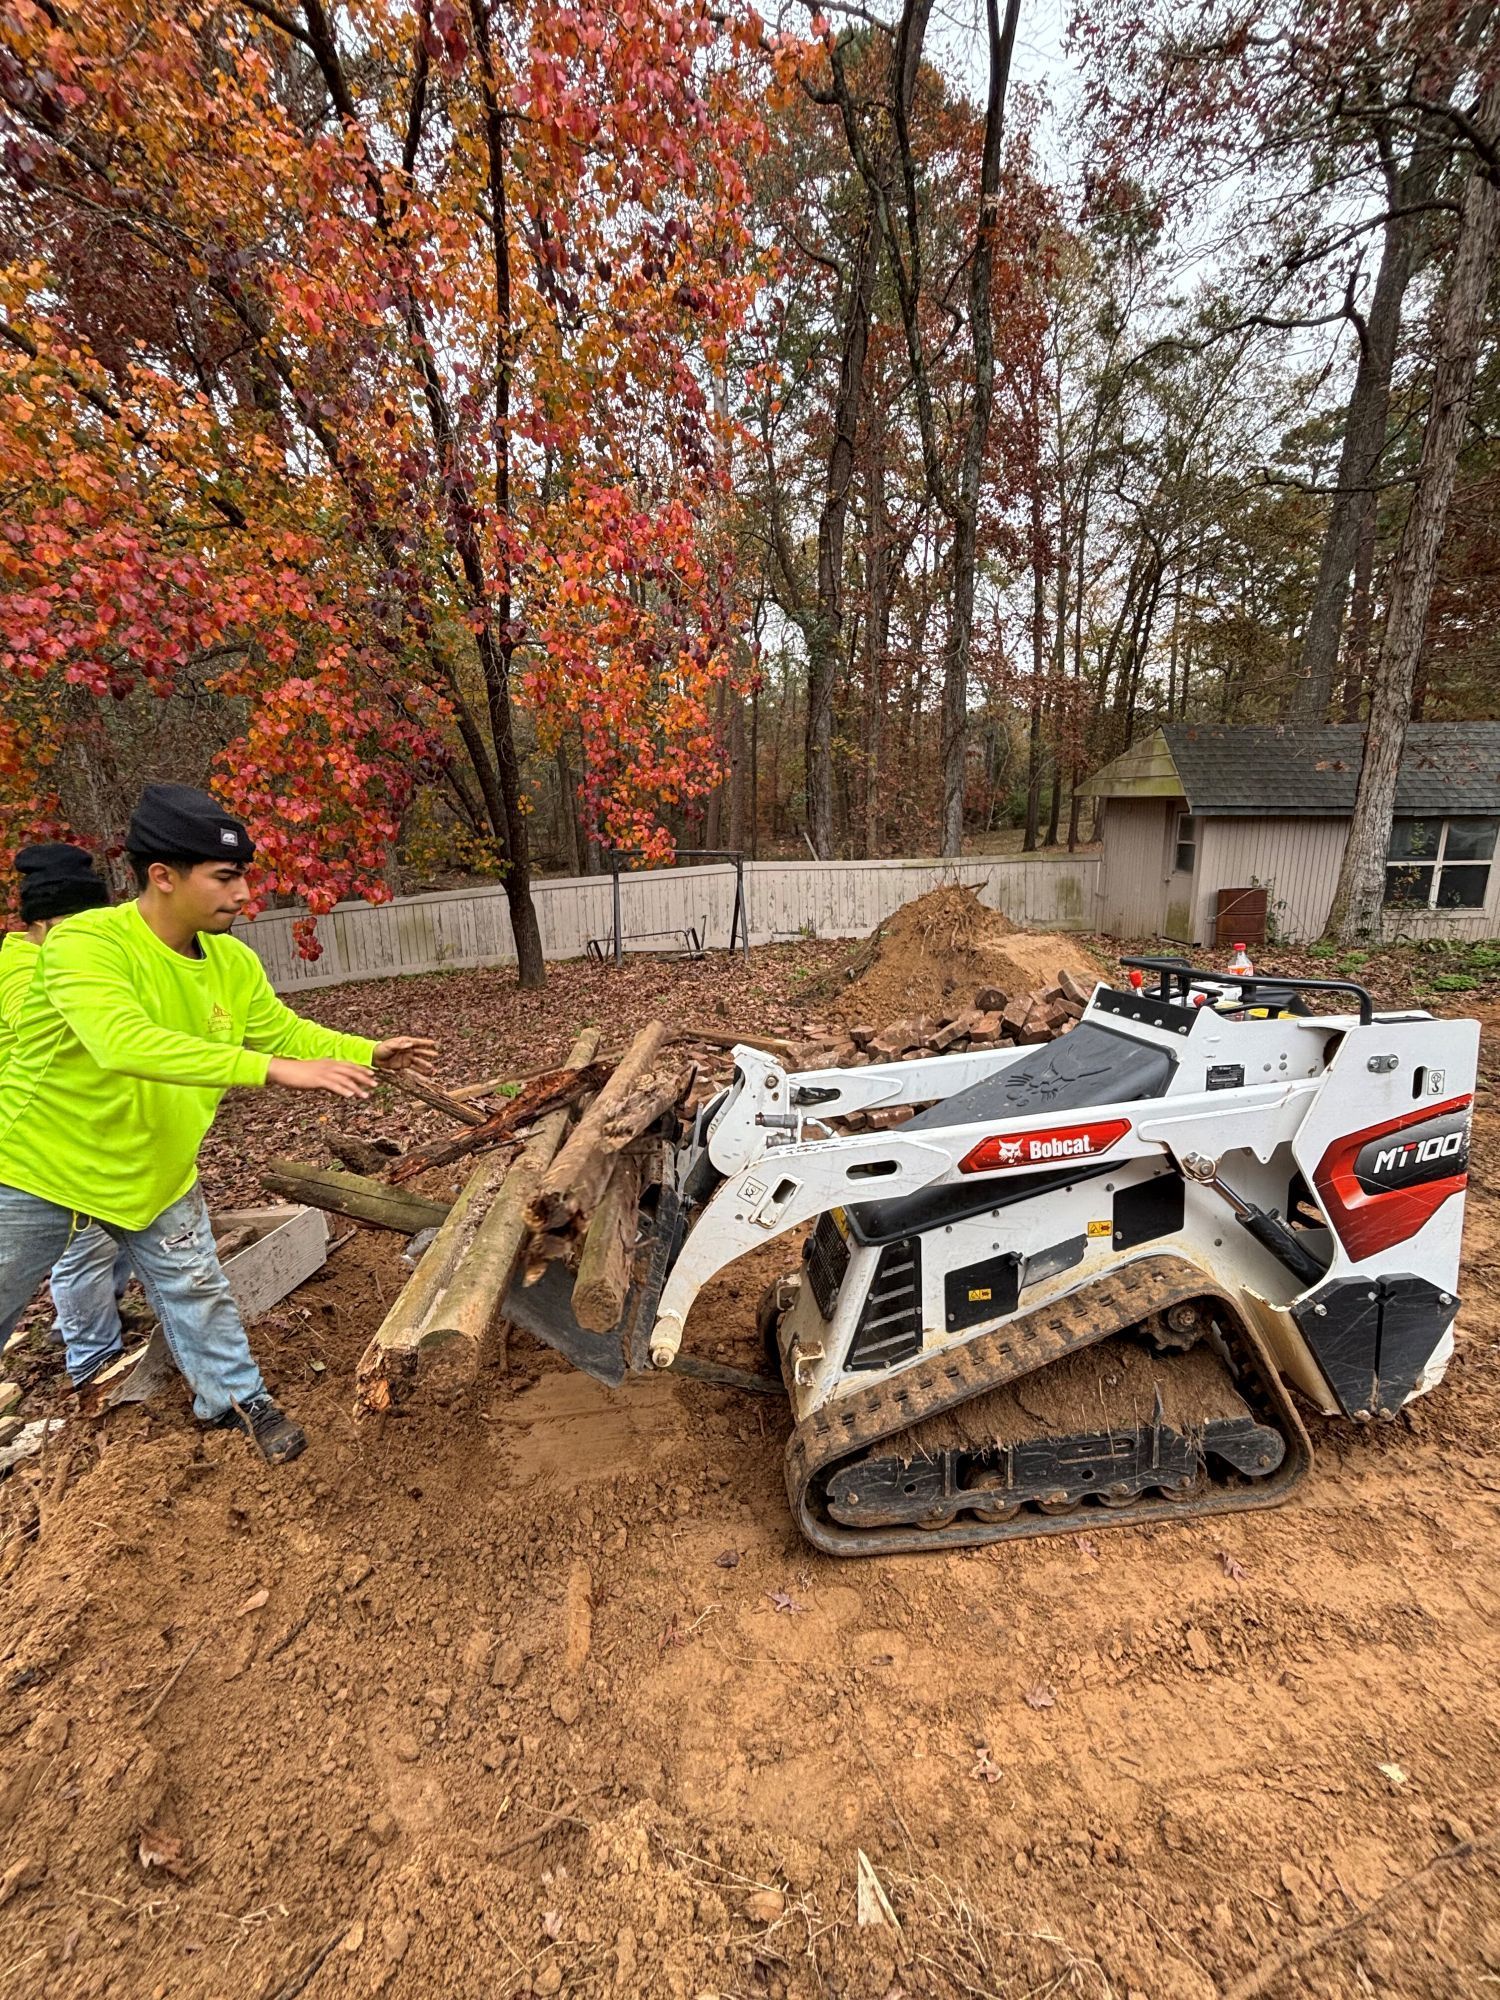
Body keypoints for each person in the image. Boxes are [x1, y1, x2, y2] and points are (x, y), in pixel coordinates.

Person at [0, 784, 438, 1464]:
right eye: (226, 878)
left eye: (243, 876)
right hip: (42, 1167)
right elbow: (123, 1042)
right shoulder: (86, 943)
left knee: (197, 1289)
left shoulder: (232, 961)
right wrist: (269, 1070)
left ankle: (235, 1400)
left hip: (157, 1170)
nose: (243, 894)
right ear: (163, 877)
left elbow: (278, 1029)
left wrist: (365, 1050)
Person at [0, 843, 133, 1376]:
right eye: (80, 926)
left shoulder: (74, 958)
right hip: (44, 1142)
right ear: (45, 925)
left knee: (116, 1237)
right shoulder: (21, 970)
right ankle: (92, 1358)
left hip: (99, 1128)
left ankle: (89, 1324)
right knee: (86, 1249)